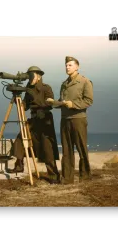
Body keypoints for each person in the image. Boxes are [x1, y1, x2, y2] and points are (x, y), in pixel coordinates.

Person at [6, 66, 61, 184]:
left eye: (32, 75)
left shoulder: (46, 88)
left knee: (47, 149)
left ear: (39, 76)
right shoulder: (28, 88)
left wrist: (33, 97)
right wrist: (17, 97)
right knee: (20, 139)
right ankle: (19, 164)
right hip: (34, 119)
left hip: (45, 119)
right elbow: (25, 107)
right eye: (29, 75)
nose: (30, 78)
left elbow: (49, 104)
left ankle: (54, 176)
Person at [47, 56, 93, 184]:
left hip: (78, 119)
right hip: (65, 120)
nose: (67, 67)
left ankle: (85, 177)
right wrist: (53, 103)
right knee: (66, 151)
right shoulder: (64, 84)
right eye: (66, 65)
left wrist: (73, 105)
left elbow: (88, 101)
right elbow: (63, 102)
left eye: (70, 65)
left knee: (82, 149)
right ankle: (67, 178)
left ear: (77, 67)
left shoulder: (84, 82)